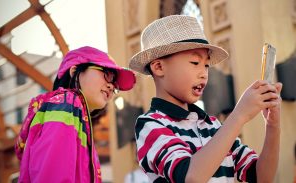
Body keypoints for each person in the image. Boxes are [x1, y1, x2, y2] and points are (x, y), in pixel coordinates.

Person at [129, 15, 282, 183]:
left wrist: (272, 125)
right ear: (158, 67)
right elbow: (191, 177)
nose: (203, 73)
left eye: (206, 65)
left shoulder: (214, 127)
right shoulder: (150, 124)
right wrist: (239, 116)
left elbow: (262, 178)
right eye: (195, 62)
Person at [15, 46, 136, 183]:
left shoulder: (73, 112)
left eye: (115, 84)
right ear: (74, 71)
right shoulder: (66, 103)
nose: (111, 86)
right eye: (107, 74)